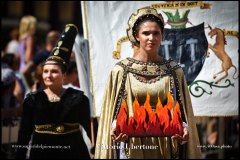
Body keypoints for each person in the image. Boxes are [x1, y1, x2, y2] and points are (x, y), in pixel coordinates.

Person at [94, 7, 201, 159]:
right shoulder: (121, 70)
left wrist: (184, 128)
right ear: (137, 36)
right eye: (146, 33)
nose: (151, 37)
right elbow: (113, 114)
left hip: (166, 146)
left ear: (162, 35)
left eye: (156, 33)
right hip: (132, 146)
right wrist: (114, 127)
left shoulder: (174, 70)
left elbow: (183, 113)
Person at [16, 24, 91, 159]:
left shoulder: (78, 98)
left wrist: (98, 149)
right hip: (41, 154)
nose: (48, 75)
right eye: (46, 71)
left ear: (64, 75)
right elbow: (24, 133)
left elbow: (92, 130)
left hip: (73, 153)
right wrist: (20, 155)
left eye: (54, 71)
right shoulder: (33, 99)